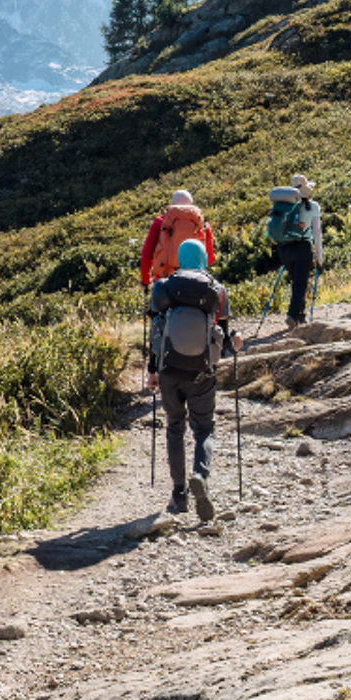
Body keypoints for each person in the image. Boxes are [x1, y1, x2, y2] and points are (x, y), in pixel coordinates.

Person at [147, 238, 241, 522]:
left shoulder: (163, 287)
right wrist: (233, 344)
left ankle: (179, 495)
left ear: (179, 257)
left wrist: (153, 370)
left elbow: (155, 331)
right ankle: (200, 475)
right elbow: (223, 337)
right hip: (202, 372)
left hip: (169, 370)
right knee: (204, 429)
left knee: (174, 428)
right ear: (203, 258)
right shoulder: (217, 290)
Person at [266, 175, 325, 329]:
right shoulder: (313, 206)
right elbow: (317, 233)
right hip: (302, 247)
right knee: (301, 283)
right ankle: (292, 315)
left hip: (284, 248)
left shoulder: (285, 206)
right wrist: (320, 256)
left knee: (296, 282)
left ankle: (300, 316)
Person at [138, 189, 216, 288]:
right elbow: (209, 260)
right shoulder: (202, 225)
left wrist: (145, 281)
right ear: (191, 206)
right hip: (194, 282)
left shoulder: (160, 222)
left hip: (165, 282)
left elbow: (146, 255)